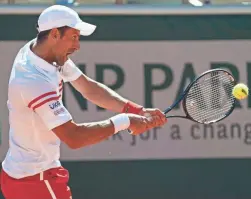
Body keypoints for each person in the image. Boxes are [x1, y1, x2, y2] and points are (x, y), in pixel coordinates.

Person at [0, 5, 167, 199]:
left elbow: (87, 88)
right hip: (36, 181)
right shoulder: (34, 81)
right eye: (73, 37)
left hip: (20, 175)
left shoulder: (42, 52)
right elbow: (74, 137)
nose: (77, 45)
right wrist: (125, 121)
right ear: (54, 34)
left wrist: (135, 110)